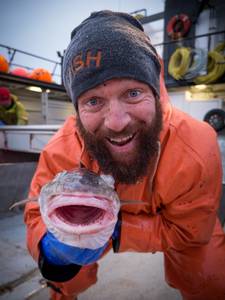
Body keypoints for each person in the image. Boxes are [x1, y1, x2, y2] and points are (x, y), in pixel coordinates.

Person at [24, 10, 225, 300]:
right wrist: (48, 249)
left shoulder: (197, 144)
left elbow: (190, 231)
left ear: (154, 91)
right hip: (92, 216)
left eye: (132, 93)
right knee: (67, 267)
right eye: (93, 100)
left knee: (210, 272)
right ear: (77, 108)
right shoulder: (60, 150)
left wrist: (120, 230)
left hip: (169, 221)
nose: (116, 122)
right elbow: (35, 212)